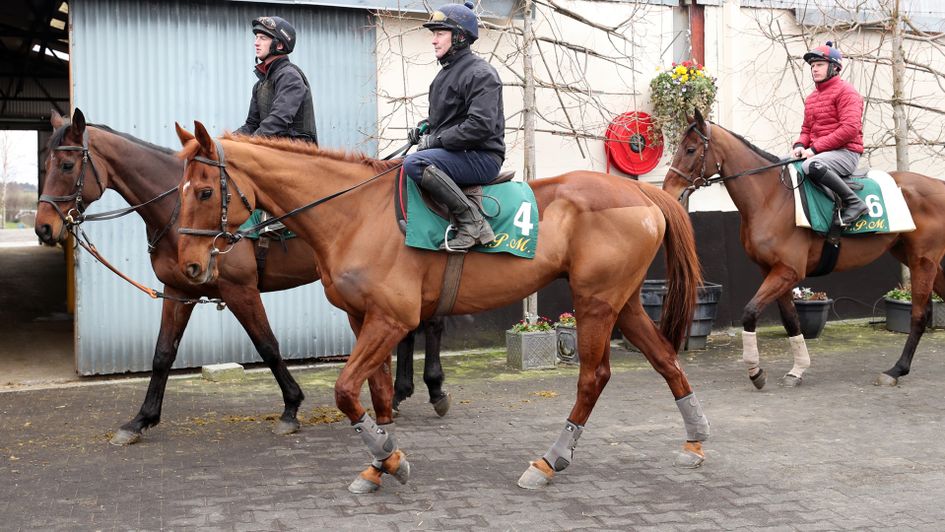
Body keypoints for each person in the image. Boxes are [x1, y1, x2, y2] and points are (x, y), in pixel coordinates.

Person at [404, 1, 505, 253]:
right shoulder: (445, 75)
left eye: (440, 34)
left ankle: (472, 223)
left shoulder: (481, 73)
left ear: (459, 37)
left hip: (482, 157)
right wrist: (425, 127)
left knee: (415, 163)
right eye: (434, 35)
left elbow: (479, 127)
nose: (434, 40)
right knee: (404, 162)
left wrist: (435, 142)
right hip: (459, 152)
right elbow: (445, 122)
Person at [792, 41, 867, 226]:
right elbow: (806, 130)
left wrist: (815, 149)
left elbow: (850, 129)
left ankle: (854, 203)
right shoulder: (811, 98)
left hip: (846, 153)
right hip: (820, 153)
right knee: (779, 163)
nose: (814, 69)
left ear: (834, 68)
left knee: (812, 165)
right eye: (812, 66)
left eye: (819, 65)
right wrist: (800, 145)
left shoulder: (847, 92)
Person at [235, 16, 317, 144]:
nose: (256, 42)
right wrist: (224, 143)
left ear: (278, 45)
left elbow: (278, 121)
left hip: (296, 155)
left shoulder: (289, 76)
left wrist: (250, 144)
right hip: (273, 151)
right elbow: (251, 125)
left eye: (263, 38)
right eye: (256, 37)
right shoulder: (260, 84)